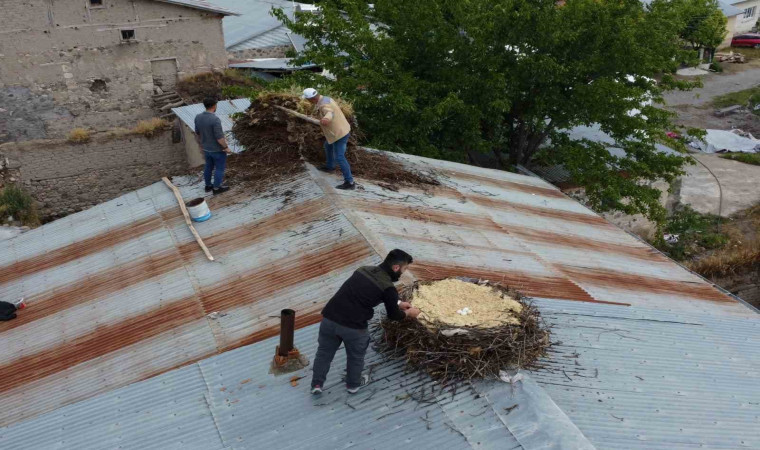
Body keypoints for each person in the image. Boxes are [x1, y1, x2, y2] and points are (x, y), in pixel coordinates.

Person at [311, 249, 421, 395]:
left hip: (329, 319)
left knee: (324, 353)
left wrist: (398, 302)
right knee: (355, 356)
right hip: (353, 327)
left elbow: (368, 291)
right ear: (396, 267)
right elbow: (394, 316)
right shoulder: (388, 288)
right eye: (404, 269)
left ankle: (317, 385)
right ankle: (353, 385)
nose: (403, 272)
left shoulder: (363, 270)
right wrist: (409, 313)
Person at [302, 88, 355, 190]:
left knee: (340, 157)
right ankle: (330, 166)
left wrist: (326, 119)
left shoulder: (324, 105)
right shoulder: (325, 99)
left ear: (311, 99)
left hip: (339, 134)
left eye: (307, 100)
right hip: (339, 130)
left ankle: (350, 182)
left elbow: (329, 112)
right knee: (327, 145)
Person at [194, 97, 232, 195]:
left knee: (208, 167)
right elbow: (219, 138)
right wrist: (226, 147)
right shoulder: (215, 119)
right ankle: (216, 188)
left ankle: (208, 186)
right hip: (217, 150)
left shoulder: (198, 117)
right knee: (219, 168)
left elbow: (197, 132)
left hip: (206, 149)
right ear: (214, 106)